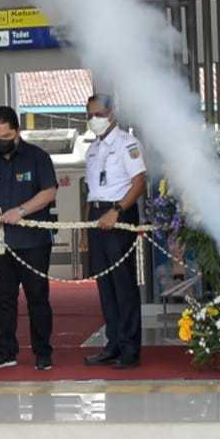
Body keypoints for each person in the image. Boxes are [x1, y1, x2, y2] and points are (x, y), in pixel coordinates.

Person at [0, 105, 58, 370]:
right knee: (3, 300)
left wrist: (21, 211)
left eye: (5, 136)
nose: (0, 142)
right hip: (1, 244)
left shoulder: (37, 157)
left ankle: (43, 352)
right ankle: (6, 351)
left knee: (37, 298)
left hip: (33, 242)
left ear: (17, 131)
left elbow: (49, 191)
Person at [81, 94, 148, 369]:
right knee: (105, 286)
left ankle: (130, 348)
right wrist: (86, 230)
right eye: (89, 115)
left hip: (119, 216)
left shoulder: (127, 143)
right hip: (97, 217)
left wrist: (117, 211)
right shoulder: (92, 149)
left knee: (123, 285)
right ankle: (113, 344)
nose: (93, 120)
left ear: (112, 113)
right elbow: (91, 193)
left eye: (99, 114)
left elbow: (139, 182)